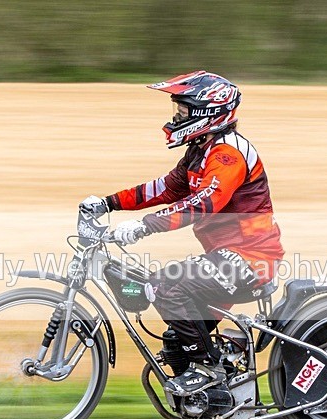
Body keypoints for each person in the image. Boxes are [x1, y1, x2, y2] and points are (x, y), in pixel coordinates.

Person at [80, 71, 284, 397]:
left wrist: (145, 226)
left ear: (208, 112)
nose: (177, 117)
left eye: (183, 112)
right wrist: (107, 203)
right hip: (226, 258)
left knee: (165, 287)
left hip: (250, 259)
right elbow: (163, 188)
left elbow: (203, 203)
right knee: (177, 342)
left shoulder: (227, 154)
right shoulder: (200, 152)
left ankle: (208, 369)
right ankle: (217, 403)